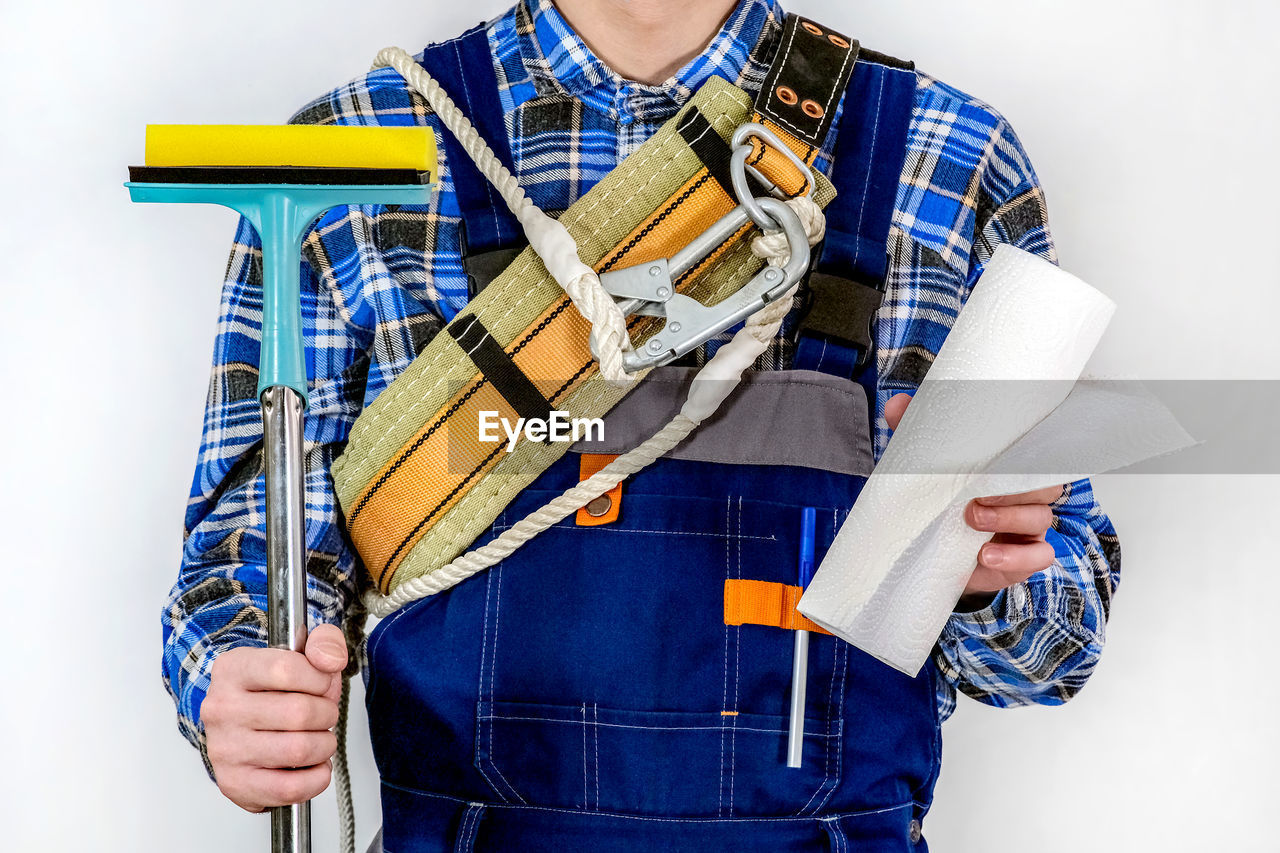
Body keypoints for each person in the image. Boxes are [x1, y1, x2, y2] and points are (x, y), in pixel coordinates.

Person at [162, 0, 1120, 849]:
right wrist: (241, 692)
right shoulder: (353, 161)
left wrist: (987, 575)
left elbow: (1052, 645)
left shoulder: (941, 159)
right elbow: (250, 566)